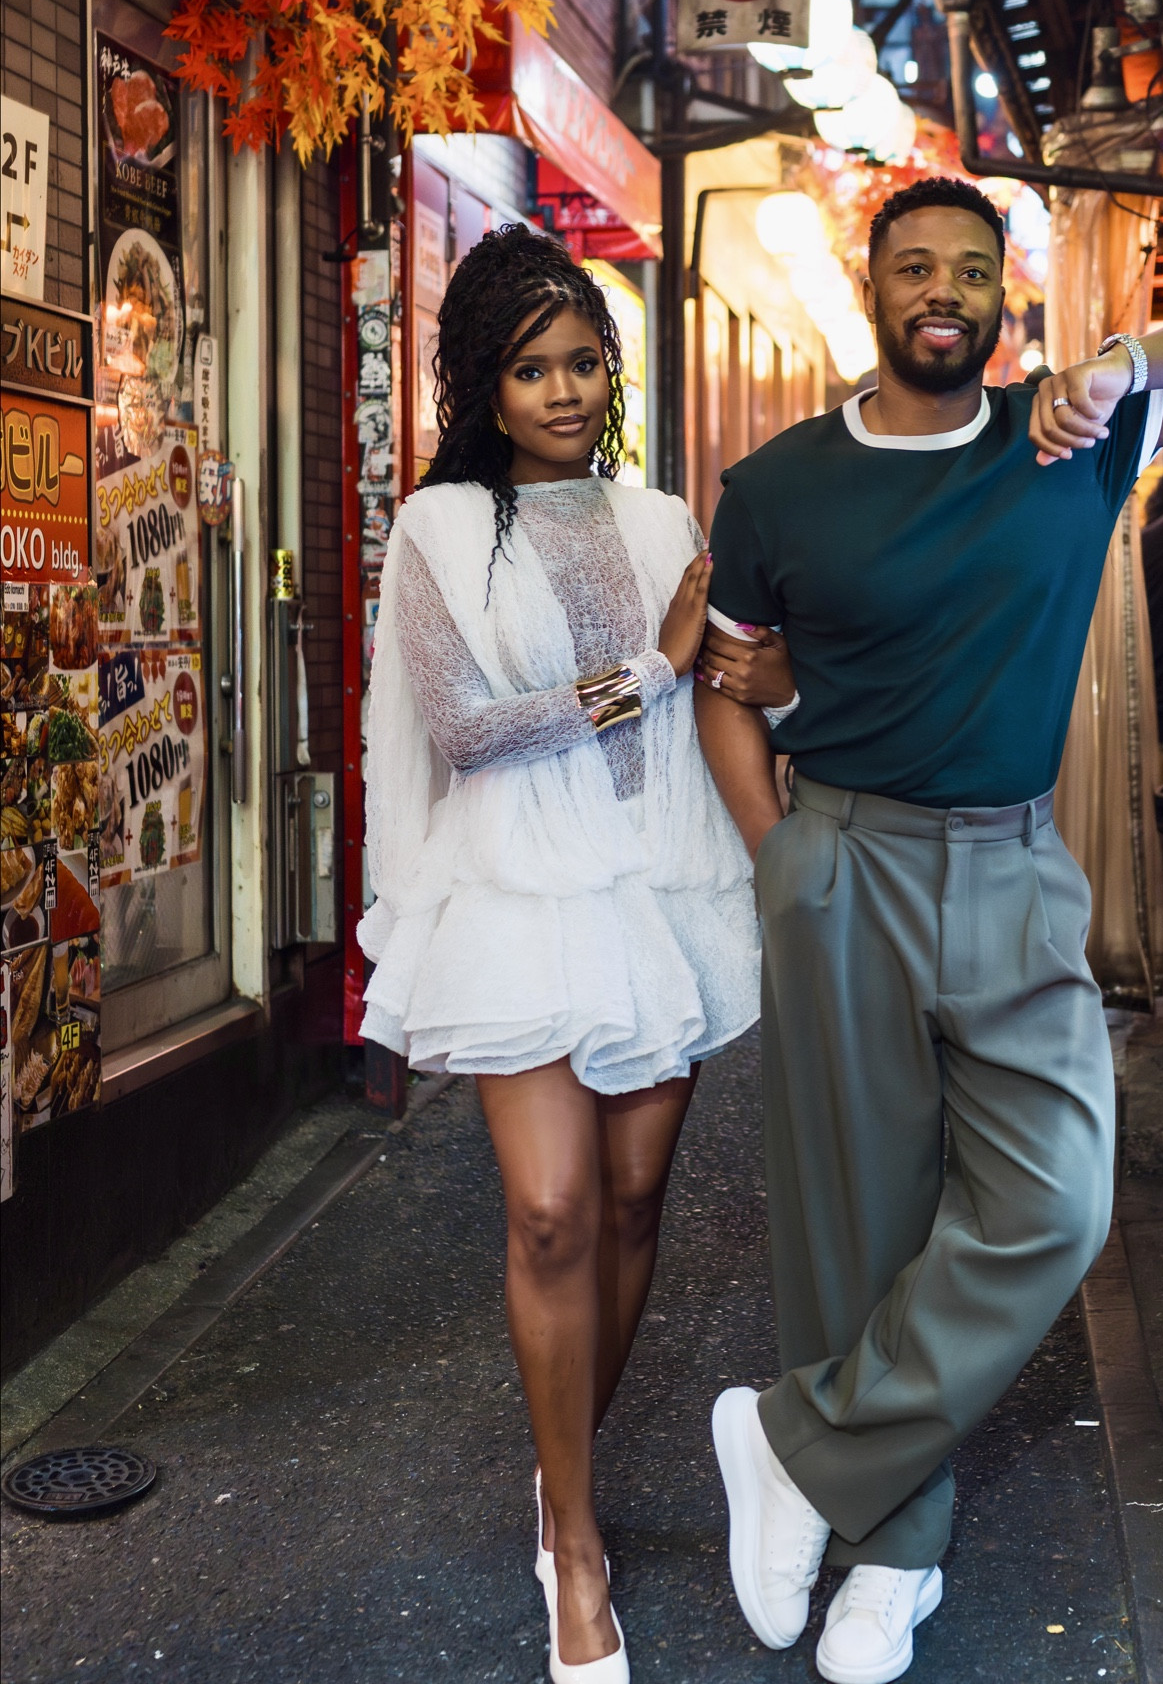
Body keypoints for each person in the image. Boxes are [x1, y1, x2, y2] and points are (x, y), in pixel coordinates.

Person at [694, 176, 1163, 1683]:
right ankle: (895, 1555)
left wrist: (1125, 362)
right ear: (873, 288)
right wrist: (783, 862)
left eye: (972, 269)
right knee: (857, 1221)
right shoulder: (775, 487)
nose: (943, 292)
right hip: (844, 860)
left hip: (1017, 870)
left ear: (1002, 293)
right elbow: (726, 686)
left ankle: (793, 1448)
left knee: (1055, 1202)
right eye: (915, 267)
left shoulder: (1069, 440)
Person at [357, 224, 793, 1683]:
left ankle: (563, 1488)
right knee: (550, 1213)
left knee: (633, 1196)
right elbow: (467, 731)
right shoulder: (438, 530)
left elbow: (737, 690)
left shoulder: (666, 522)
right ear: (481, 385)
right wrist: (649, 668)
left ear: (613, 372)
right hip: (522, 894)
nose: (561, 390)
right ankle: (582, 1547)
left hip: (665, 886)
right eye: (528, 367)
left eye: (583, 362)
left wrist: (761, 675)